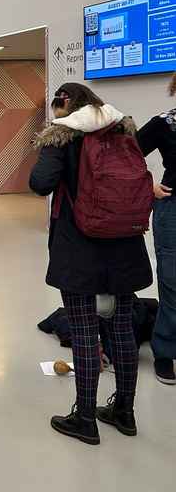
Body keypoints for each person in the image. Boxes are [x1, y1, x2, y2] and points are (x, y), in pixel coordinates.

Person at [30, 83, 153, 445]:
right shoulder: (122, 130)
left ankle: (85, 418)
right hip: (125, 246)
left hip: (80, 249)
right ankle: (124, 411)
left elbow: (40, 183)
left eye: (57, 102)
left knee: (84, 331)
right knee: (122, 330)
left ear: (66, 103)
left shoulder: (64, 136)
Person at [136, 74, 176, 385]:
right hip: (172, 209)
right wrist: (149, 185)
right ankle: (165, 351)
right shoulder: (164, 123)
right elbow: (126, 155)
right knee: (172, 281)